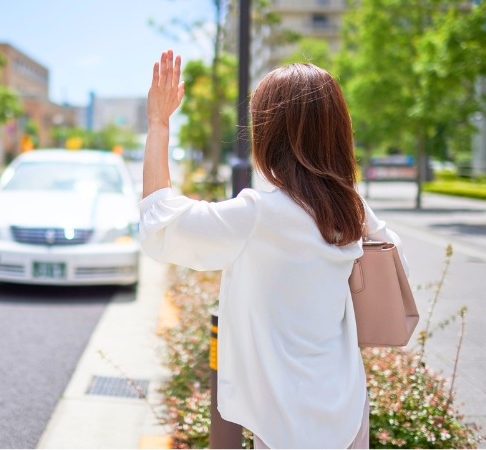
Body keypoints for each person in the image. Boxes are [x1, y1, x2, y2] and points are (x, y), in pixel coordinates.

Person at [140, 50, 408, 449]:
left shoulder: (258, 215)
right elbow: (390, 251)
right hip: (347, 410)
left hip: (286, 422)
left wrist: (159, 124)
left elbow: (160, 226)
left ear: (272, 135)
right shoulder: (351, 207)